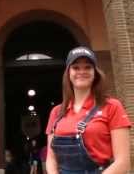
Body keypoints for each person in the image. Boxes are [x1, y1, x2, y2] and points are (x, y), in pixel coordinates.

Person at [45, 46, 132, 174]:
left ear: (95, 73)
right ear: (68, 73)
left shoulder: (112, 106)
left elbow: (123, 163)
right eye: (75, 67)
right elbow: (51, 159)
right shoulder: (57, 112)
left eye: (88, 67)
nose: (82, 71)